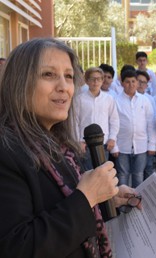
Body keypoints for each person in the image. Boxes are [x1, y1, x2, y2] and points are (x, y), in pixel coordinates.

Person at [0, 38, 139, 258]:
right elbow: (17, 247)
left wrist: (104, 201)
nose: (64, 87)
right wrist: (87, 197)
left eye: (69, 76)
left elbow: (58, 205)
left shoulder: (58, 145)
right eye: (48, 74)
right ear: (19, 82)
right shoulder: (7, 150)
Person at [112, 70, 156, 188]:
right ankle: (123, 205)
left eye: (133, 81)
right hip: (122, 146)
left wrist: (152, 144)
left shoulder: (144, 100)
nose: (131, 84)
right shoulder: (116, 101)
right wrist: (114, 146)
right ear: (122, 83)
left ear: (137, 83)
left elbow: (151, 124)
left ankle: (137, 204)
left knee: (138, 175)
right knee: (123, 175)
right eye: (127, 82)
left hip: (141, 145)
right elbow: (113, 123)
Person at [135, 70, 156, 180]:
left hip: (147, 141)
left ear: (147, 85)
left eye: (143, 82)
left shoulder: (150, 99)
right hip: (133, 142)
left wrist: (152, 143)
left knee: (148, 168)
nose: (140, 84)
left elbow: (152, 122)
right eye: (138, 81)